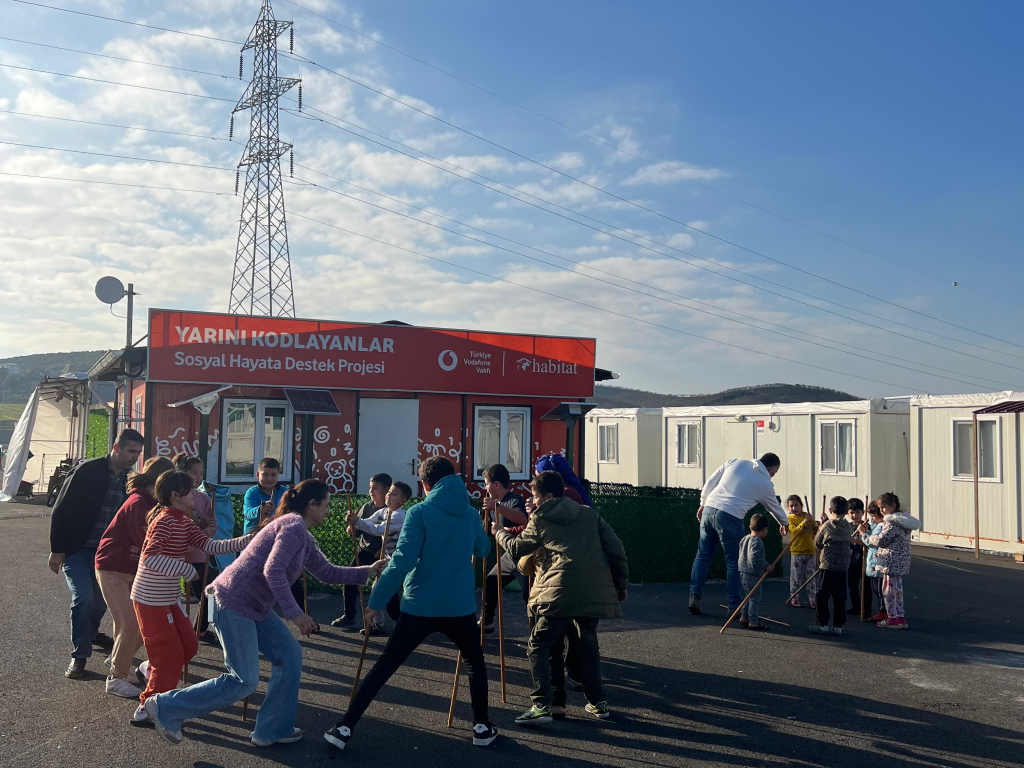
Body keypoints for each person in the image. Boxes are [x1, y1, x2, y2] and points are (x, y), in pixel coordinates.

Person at [143, 480, 385, 747]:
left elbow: (327, 572)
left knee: (289, 655)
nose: (329, 511)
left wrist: (367, 571)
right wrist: (296, 614)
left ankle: (272, 730)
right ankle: (165, 706)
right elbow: (274, 571)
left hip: (250, 606)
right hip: (228, 602)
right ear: (312, 504)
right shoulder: (292, 526)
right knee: (243, 680)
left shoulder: (301, 534)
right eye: (326, 505)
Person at [324, 456, 498, 751]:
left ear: (425, 485)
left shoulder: (420, 512)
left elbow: (402, 561)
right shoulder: (469, 513)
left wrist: (376, 601)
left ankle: (344, 727)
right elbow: (482, 548)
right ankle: (481, 726)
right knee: (474, 662)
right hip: (459, 605)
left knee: (385, 665)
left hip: (420, 604)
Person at [493, 470, 628, 725]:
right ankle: (598, 702)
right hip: (592, 591)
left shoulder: (541, 517)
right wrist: (620, 585)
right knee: (587, 645)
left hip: (558, 590)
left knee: (540, 644)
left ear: (548, 496)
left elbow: (517, 548)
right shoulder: (588, 514)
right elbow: (616, 549)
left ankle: (542, 705)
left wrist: (499, 532)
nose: (534, 501)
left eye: (536, 496)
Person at [131, 471, 254, 725]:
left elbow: (211, 546)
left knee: (189, 645)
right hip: (150, 599)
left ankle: (150, 669)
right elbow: (150, 558)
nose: (195, 495)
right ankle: (147, 706)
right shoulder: (164, 521)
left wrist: (247, 541)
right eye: (190, 491)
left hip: (168, 596)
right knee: (168, 658)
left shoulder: (184, 522)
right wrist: (186, 570)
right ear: (176, 495)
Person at [49, 428, 144, 680]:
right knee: (84, 598)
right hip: (77, 549)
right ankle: (79, 656)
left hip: (107, 555)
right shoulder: (86, 471)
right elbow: (61, 509)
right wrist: (57, 549)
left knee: (102, 602)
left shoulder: (130, 481)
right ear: (116, 448)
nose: (134, 457)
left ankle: (91, 633)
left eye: (138, 453)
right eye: (131, 451)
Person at [94, 456, 174, 699]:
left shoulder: (148, 502)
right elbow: (148, 543)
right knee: (132, 622)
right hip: (112, 567)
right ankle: (116, 677)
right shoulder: (139, 503)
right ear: (159, 481)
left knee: (128, 623)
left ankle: (119, 660)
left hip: (128, 568)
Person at [688, 453, 789, 616]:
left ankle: (694, 597)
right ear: (770, 468)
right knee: (734, 561)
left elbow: (711, 482)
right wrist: (784, 523)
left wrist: (703, 503)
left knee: (702, 556)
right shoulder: (764, 483)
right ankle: (733, 605)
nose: (773, 475)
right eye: (775, 472)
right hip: (731, 516)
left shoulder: (735, 462)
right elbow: (774, 507)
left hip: (709, 509)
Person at [330, 473, 391, 628]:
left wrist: (382, 549)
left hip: (382, 554)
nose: (371, 491)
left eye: (375, 488)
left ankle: (397, 619)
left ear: (386, 490)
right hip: (365, 551)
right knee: (349, 579)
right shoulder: (366, 507)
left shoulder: (390, 510)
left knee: (384, 587)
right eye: (370, 488)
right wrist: (351, 529)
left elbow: (393, 533)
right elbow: (357, 530)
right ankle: (349, 615)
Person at [354, 480, 412, 632]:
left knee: (398, 591)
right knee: (379, 588)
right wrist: (355, 522)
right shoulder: (384, 511)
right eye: (389, 492)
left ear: (402, 501)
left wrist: (358, 522)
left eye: (394, 494)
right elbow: (368, 522)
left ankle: (403, 622)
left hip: (399, 560)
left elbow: (378, 530)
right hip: (388, 559)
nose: (388, 495)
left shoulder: (399, 515)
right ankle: (380, 623)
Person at [174, 454, 219, 642]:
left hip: (199, 553)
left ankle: (199, 629)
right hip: (175, 554)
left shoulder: (203, 498)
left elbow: (213, 524)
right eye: (194, 473)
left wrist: (208, 530)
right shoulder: (174, 496)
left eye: (201, 473)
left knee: (209, 592)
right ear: (182, 472)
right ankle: (174, 630)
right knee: (172, 596)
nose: (198, 477)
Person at [480, 463, 528, 634]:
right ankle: (487, 622)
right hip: (509, 556)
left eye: (486, 484)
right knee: (491, 580)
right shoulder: (493, 505)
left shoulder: (514, 499)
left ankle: (539, 628)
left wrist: (497, 507)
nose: (485, 488)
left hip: (524, 554)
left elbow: (522, 519)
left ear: (496, 484)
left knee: (530, 595)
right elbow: (487, 531)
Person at [863, 492, 919, 630]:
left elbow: (881, 540)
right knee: (897, 590)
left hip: (890, 561)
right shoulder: (904, 522)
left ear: (893, 506)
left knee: (888, 590)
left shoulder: (891, 523)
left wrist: (867, 536)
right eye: (880, 507)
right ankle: (900, 617)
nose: (881, 510)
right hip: (900, 560)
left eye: (883, 507)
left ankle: (892, 618)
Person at [811, 496, 853, 636]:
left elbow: (817, 543)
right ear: (846, 511)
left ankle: (823, 624)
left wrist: (820, 526)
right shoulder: (848, 527)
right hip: (843, 567)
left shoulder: (827, 526)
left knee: (822, 596)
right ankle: (838, 626)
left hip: (827, 566)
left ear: (830, 510)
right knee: (840, 598)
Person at [738, 513, 774, 631]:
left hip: (743, 571)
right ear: (765, 529)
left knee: (748, 597)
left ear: (750, 527)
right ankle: (753, 621)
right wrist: (766, 566)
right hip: (753, 573)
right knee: (754, 598)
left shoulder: (744, 539)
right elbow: (754, 557)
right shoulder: (757, 541)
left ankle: (744, 617)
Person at [785, 494, 818, 609]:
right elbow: (794, 532)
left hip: (810, 551)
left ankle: (812, 599)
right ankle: (794, 597)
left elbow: (815, 531)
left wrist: (816, 525)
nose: (794, 508)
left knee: (811, 577)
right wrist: (804, 522)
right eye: (791, 506)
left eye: (796, 505)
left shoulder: (808, 516)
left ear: (801, 505)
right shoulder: (790, 519)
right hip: (797, 551)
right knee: (796, 577)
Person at [242, 458, 287, 535]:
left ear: (278, 475)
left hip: (277, 534)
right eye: (265, 474)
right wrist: (260, 510)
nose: (269, 478)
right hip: (253, 535)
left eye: (273, 474)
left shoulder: (285, 493)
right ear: (257, 475)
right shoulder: (252, 492)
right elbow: (247, 513)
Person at [861, 501, 885, 622]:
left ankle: (884, 611)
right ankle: (882, 610)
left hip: (878, 563)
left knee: (880, 590)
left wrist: (863, 534)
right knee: (877, 589)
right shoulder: (877, 525)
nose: (872, 519)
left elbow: (872, 542)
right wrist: (867, 532)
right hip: (874, 563)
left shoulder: (882, 526)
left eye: (874, 516)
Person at [846, 498, 866, 614]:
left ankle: (866, 609)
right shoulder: (847, 527)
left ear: (863, 512)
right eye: (852, 512)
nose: (854, 515)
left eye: (857, 512)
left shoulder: (866, 526)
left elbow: (867, 543)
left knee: (865, 587)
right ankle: (856, 607)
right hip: (851, 560)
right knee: (852, 586)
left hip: (864, 560)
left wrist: (853, 540)